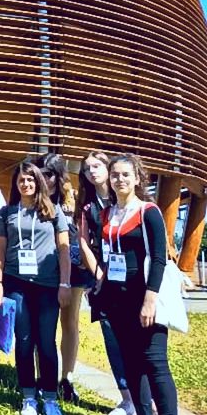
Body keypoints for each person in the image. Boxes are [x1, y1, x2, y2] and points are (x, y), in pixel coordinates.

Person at [93, 154, 178, 415]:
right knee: (130, 363)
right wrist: (100, 284)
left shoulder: (148, 212)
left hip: (144, 300)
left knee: (155, 364)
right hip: (118, 302)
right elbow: (109, 254)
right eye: (115, 174)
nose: (120, 179)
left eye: (126, 174)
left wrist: (150, 300)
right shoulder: (107, 213)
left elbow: (159, 259)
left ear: (137, 178)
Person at [0, 160, 71, 415]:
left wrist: (64, 284)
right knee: (24, 341)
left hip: (48, 285)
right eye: (21, 180)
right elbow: (0, 252)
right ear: (16, 184)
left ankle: (49, 397)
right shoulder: (7, 212)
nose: (26, 184)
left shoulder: (54, 211)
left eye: (30, 179)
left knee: (46, 342)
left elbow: (63, 250)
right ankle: (28, 397)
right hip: (17, 283)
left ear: (37, 182)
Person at [77, 151, 148, 415]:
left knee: (140, 340)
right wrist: (98, 275)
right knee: (113, 340)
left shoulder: (134, 201)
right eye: (87, 168)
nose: (92, 171)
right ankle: (127, 399)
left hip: (134, 281)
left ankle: (146, 397)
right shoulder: (88, 205)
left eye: (98, 166)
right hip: (104, 283)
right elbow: (83, 242)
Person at [36, 153, 86, 404]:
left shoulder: (72, 198)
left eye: (49, 173)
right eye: (41, 173)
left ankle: (67, 377)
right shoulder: (35, 197)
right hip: (43, 265)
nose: (45, 179)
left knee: (70, 320)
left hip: (72, 264)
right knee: (42, 323)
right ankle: (40, 375)